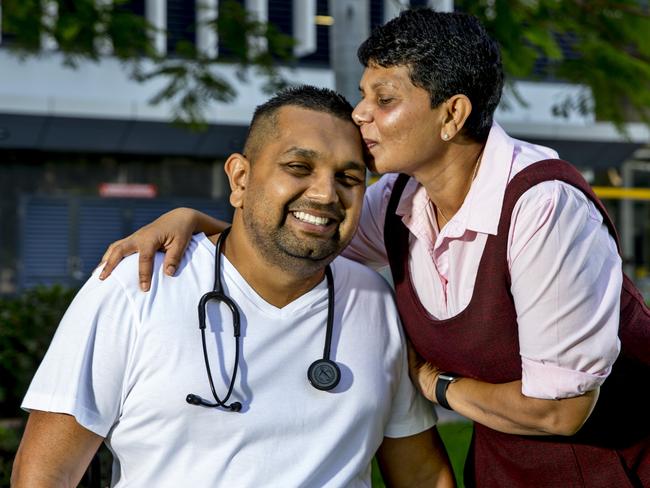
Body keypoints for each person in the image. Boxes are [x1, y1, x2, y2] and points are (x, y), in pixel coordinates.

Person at [98, 8, 650, 487]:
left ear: (452, 115)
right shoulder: (397, 201)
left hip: (620, 467)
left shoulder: (542, 206)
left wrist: (434, 384)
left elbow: (560, 411)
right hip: (505, 469)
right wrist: (196, 220)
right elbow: (297, 234)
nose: (359, 114)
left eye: (383, 99)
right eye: (363, 95)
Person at [11, 86, 456, 488]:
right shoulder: (136, 286)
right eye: (299, 167)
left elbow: (421, 473)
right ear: (240, 179)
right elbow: (47, 474)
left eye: (349, 178)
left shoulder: (373, 300)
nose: (326, 194)